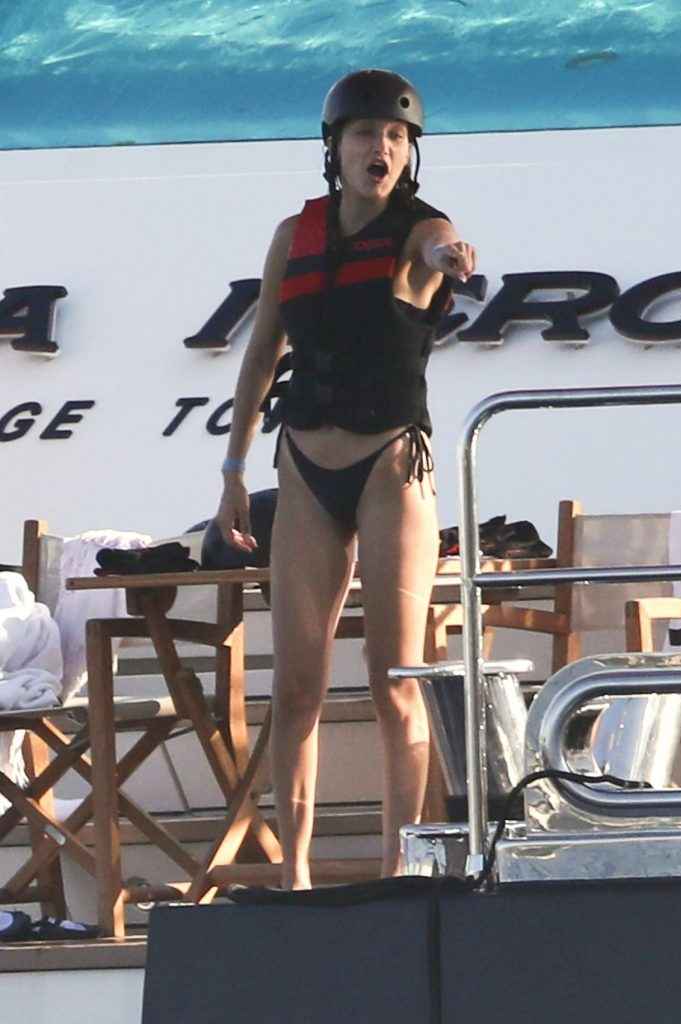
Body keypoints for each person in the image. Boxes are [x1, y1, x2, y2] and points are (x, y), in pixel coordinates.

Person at [215, 68, 476, 889]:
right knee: (296, 684)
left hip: (390, 461)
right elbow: (262, 353)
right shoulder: (294, 233)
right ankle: (294, 874)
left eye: (396, 137)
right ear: (334, 147)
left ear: (409, 153)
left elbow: (440, 246)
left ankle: (403, 867)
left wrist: (450, 256)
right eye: (366, 134)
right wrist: (233, 471)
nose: (381, 148)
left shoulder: (420, 228)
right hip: (303, 463)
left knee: (395, 677)